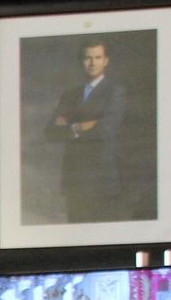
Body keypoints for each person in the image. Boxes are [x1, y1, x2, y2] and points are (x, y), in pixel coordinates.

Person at [47, 39, 128, 223]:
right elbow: (50, 132)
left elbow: (106, 129)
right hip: (74, 180)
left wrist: (69, 126)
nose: (92, 63)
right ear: (81, 61)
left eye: (98, 57)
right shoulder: (70, 95)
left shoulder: (115, 91)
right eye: (87, 58)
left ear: (106, 60)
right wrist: (82, 126)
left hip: (102, 180)